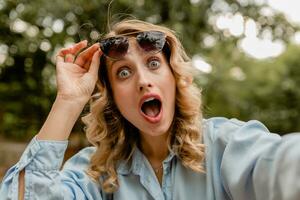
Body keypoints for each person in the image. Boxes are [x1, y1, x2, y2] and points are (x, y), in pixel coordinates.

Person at [0, 19, 299, 200]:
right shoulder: (94, 173)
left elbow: (282, 167)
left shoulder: (226, 144)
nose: (143, 81)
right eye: (124, 73)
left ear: (174, 78)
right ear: (113, 98)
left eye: (153, 63)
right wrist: (67, 101)